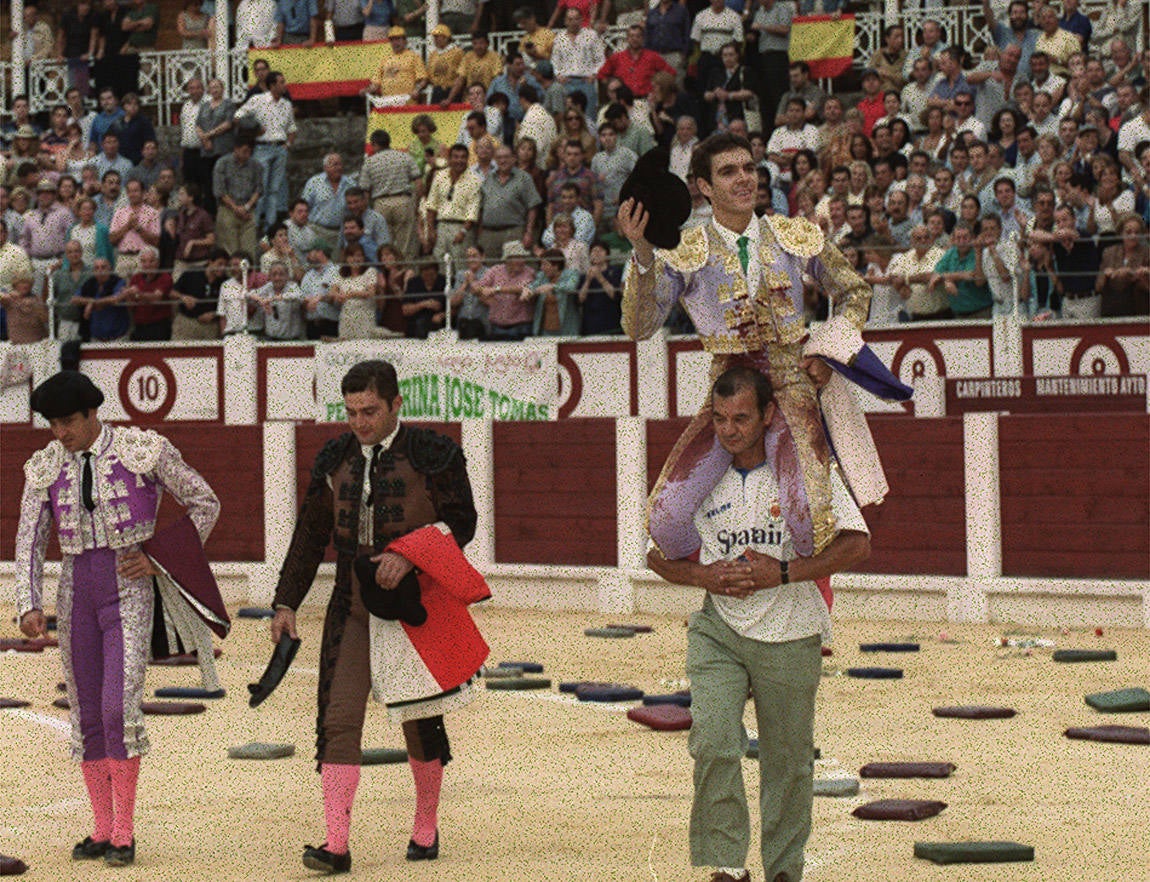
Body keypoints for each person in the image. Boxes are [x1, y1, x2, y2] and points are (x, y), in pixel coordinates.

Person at [617, 131, 887, 571]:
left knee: (807, 514)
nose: (744, 179)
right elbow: (638, 326)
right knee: (664, 518)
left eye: (749, 168)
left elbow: (854, 292)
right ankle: (721, 589)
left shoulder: (792, 235)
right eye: (728, 172)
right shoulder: (686, 251)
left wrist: (827, 351)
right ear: (704, 186)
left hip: (793, 383)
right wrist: (643, 253)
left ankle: (806, 616)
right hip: (728, 394)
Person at [645, 365, 870, 882]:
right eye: (720, 418)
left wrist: (783, 571)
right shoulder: (698, 475)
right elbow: (655, 555)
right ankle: (726, 864)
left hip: (791, 631)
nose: (729, 430)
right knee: (713, 739)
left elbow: (859, 543)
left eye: (742, 417)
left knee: (788, 762)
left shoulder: (804, 469)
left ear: (768, 414)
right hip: (718, 628)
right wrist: (704, 574)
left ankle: (785, 870)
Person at [269, 358, 485, 873]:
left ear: (395, 405)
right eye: (351, 412)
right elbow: (309, 534)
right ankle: (336, 844)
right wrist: (286, 601)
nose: (360, 422)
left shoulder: (434, 455)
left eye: (370, 411)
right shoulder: (334, 458)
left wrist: (411, 551)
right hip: (351, 600)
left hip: (416, 600)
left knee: (419, 719)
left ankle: (425, 826)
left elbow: (464, 522)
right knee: (338, 717)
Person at [15, 370, 224, 869]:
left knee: (116, 710)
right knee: (87, 714)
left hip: (127, 591)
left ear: (92, 414)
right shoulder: (45, 466)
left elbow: (205, 501)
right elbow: (28, 539)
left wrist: (159, 557)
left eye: (68, 421)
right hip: (74, 596)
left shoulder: (140, 451)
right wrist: (28, 602)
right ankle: (101, 828)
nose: (59, 433)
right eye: (52, 424)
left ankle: (125, 833)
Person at [234, 71, 297, 232]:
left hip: (280, 147)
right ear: (272, 85)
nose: (284, 85)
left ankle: (270, 227)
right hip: (262, 147)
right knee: (260, 189)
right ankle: (255, 225)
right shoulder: (258, 100)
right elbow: (238, 116)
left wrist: (287, 145)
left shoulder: (287, 104)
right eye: (281, 82)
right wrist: (253, 129)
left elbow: (292, 128)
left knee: (275, 189)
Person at [424, 144, 481, 273]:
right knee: (440, 265)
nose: (459, 160)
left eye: (463, 157)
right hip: (441, 226)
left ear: (467, 159)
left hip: (462, 227)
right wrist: (431, 230)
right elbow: (431, 205)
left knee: (461, 268)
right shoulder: (439, 176)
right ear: (449, 159)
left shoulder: (474, 180)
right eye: (455, 157)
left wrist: (463, 232)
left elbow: (473, 210)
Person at [213, 137, 263, 261]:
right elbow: (220, 191)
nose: (247, 154)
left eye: (250, 151)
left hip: (248, 210)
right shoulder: (222, 164)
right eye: (244, 151)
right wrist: (235, 208)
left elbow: (259, 189)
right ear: (236, 149)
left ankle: (249, 278)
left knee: (249, 251)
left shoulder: (256, 165)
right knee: (230, 251)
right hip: (228, 209)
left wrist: (246, 207)